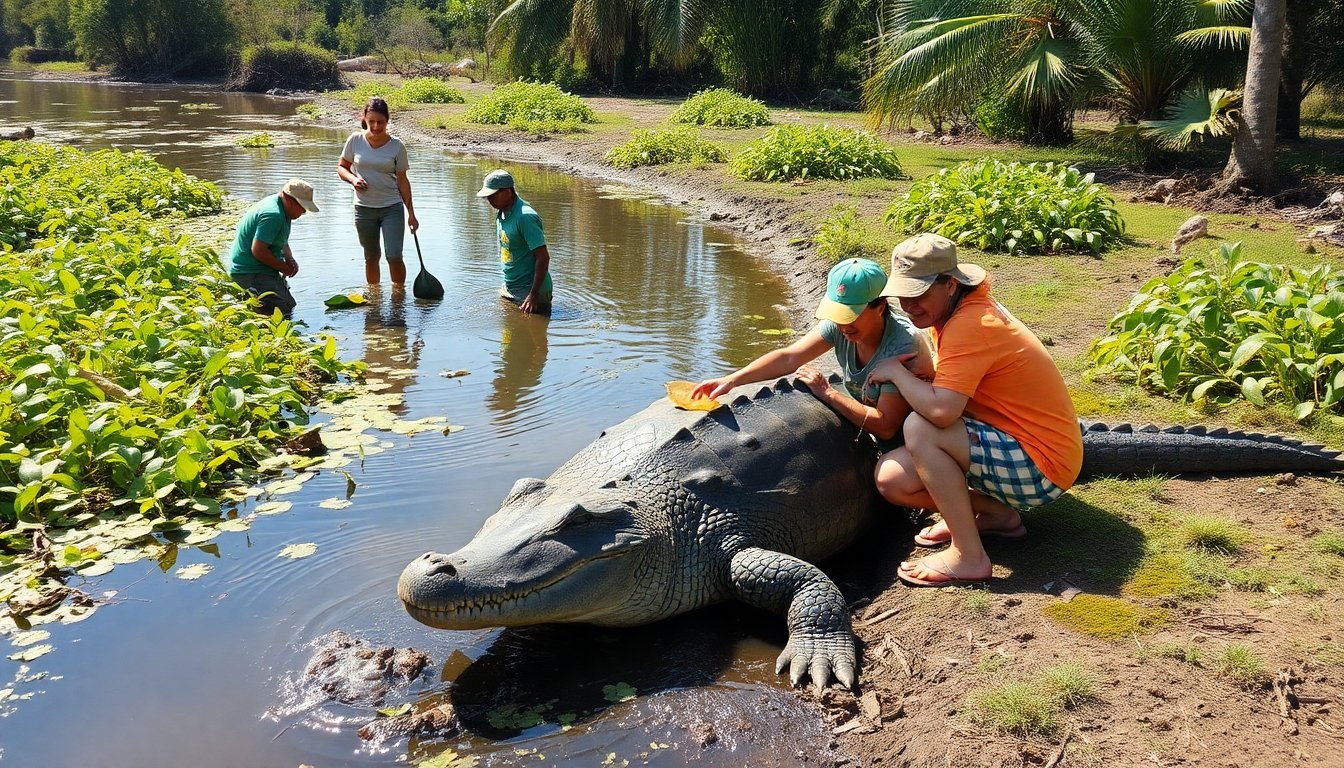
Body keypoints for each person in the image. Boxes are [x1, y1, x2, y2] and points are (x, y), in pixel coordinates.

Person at [866, 234, 1083, 587]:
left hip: (1042, 465)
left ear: (950, 285)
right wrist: (926, 375)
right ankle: (996, 515)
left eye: (918, 294)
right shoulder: (957, 310)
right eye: (902, 295)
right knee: (894, 479)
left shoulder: (971, 323)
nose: (908, 305)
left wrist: (896, 374)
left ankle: (968, 557)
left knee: (920, 427)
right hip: (1017, 444)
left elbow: (941, 413)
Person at [692, 258, 930, 454]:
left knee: (886, 480)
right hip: (866, 410)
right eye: (838, 314)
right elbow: (789, 357)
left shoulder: (902, 346)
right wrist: (732, 380)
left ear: (880, 307)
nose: (842, 324)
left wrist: (827, 392)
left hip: (910, 437)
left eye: (851, 315)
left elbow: (886, 426)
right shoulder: (842, 327)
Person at [338, 97, 419, 286]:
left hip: (392, 207)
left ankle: (399, 295)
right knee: (371, 257)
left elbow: (403, 181)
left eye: (380, 122)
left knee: (394, 255)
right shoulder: (355, 140)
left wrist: (411, 214)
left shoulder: (397, 146)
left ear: (387, 120)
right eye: (371, 121)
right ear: (364, 118)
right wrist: (353, 179)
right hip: (363, 209)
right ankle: (374, 296)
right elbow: (342, 167)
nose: (375, 126)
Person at [228, 178, 318, 318]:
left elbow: (281, 240)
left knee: (289, 305)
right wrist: (283, 267)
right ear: (289, 199)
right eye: (302, 207)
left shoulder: (283, 209)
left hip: (262, 269)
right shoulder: (273, 215)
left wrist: (289, 258)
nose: (303, 212)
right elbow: (258, 250)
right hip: (249, 272)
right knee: (281, 310)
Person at [477, 169, 552, 315]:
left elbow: (543, 258)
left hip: (530, 290)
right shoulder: (501, 213)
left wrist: (533, 295)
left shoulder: (525, 217)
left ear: (508, 192)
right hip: (510, 286)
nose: (489, 200)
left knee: (531, 326)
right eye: (488, 196)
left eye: (493, 195)